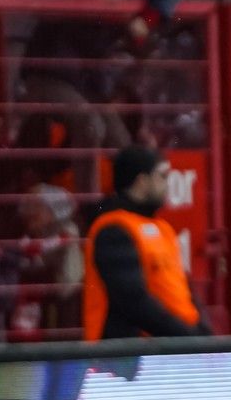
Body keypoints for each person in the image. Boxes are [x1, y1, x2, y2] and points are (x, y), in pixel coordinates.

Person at [83, 145, 209, 340]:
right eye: (162, 176)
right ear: (142, 181)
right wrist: (188, 336)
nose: (168, 184)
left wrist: (201, 333)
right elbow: (133, 302)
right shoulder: (113, 230)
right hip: (132, 352)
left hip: (171, 345)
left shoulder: (162, 228)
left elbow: (182, 289)